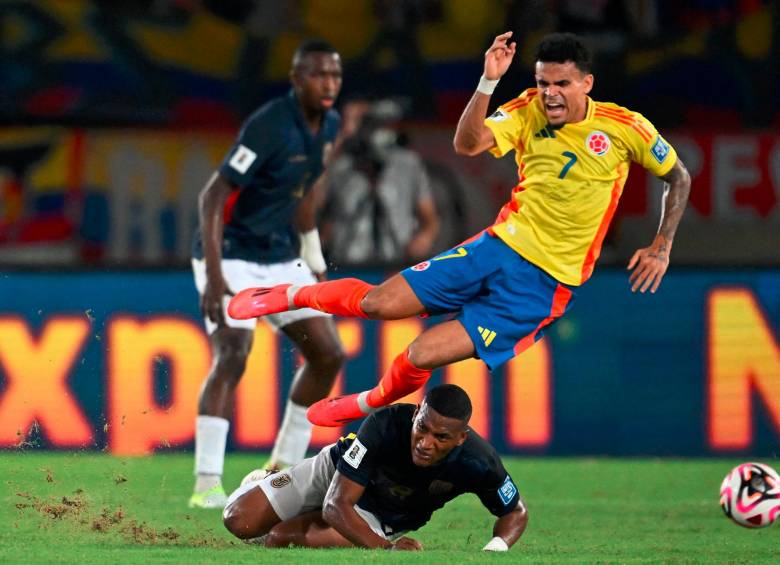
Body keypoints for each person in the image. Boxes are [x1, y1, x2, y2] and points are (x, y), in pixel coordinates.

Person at [227, 31, 692, 428]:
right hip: (497, 248)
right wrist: (489, 80)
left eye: (562, 84)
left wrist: (662, 245)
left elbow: (678, 177)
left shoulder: (624, 127)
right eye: (543, 82)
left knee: (421, 354)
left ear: (587, 84)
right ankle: (287, 296)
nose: (550, 93)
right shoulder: (527, 109)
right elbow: (467, 143)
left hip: (541, 287)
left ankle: (369, 401)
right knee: (379, 303)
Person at [189, 40, 346, 508]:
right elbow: (212, 197)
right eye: (319, 75)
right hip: (232, 253)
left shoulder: (330, 123)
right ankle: (206, 485)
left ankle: (281, 473)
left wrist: (314, 257)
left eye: (336, 76)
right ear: (296, 79)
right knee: (235, 351)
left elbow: (306, 192)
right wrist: (215, 276)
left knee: (328, 353)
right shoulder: (269, 124)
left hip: (280, 255)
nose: (329, 85)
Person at [222, 384, 527, 551]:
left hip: (381, 513)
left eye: (441, 437)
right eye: (422, 428)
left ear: (461, 438)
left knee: (278, 537)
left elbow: (514, 511)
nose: (425, 442)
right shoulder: (385, 423)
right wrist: (385, 550)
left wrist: (496, 549)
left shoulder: (478, 461)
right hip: (337, 474)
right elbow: (335, 504)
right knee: (238, 521)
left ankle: (294, 515)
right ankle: (271, 483)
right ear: (416, 412)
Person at [320, 98, 440, 266]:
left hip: (396, 264)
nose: (376, 131)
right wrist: (344, 136)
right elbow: (312, 203)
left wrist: (423, 240)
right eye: (369, 124)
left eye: (383, 124)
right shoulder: (340, 165)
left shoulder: (408, 163)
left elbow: (429, 218)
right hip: (347, 263)